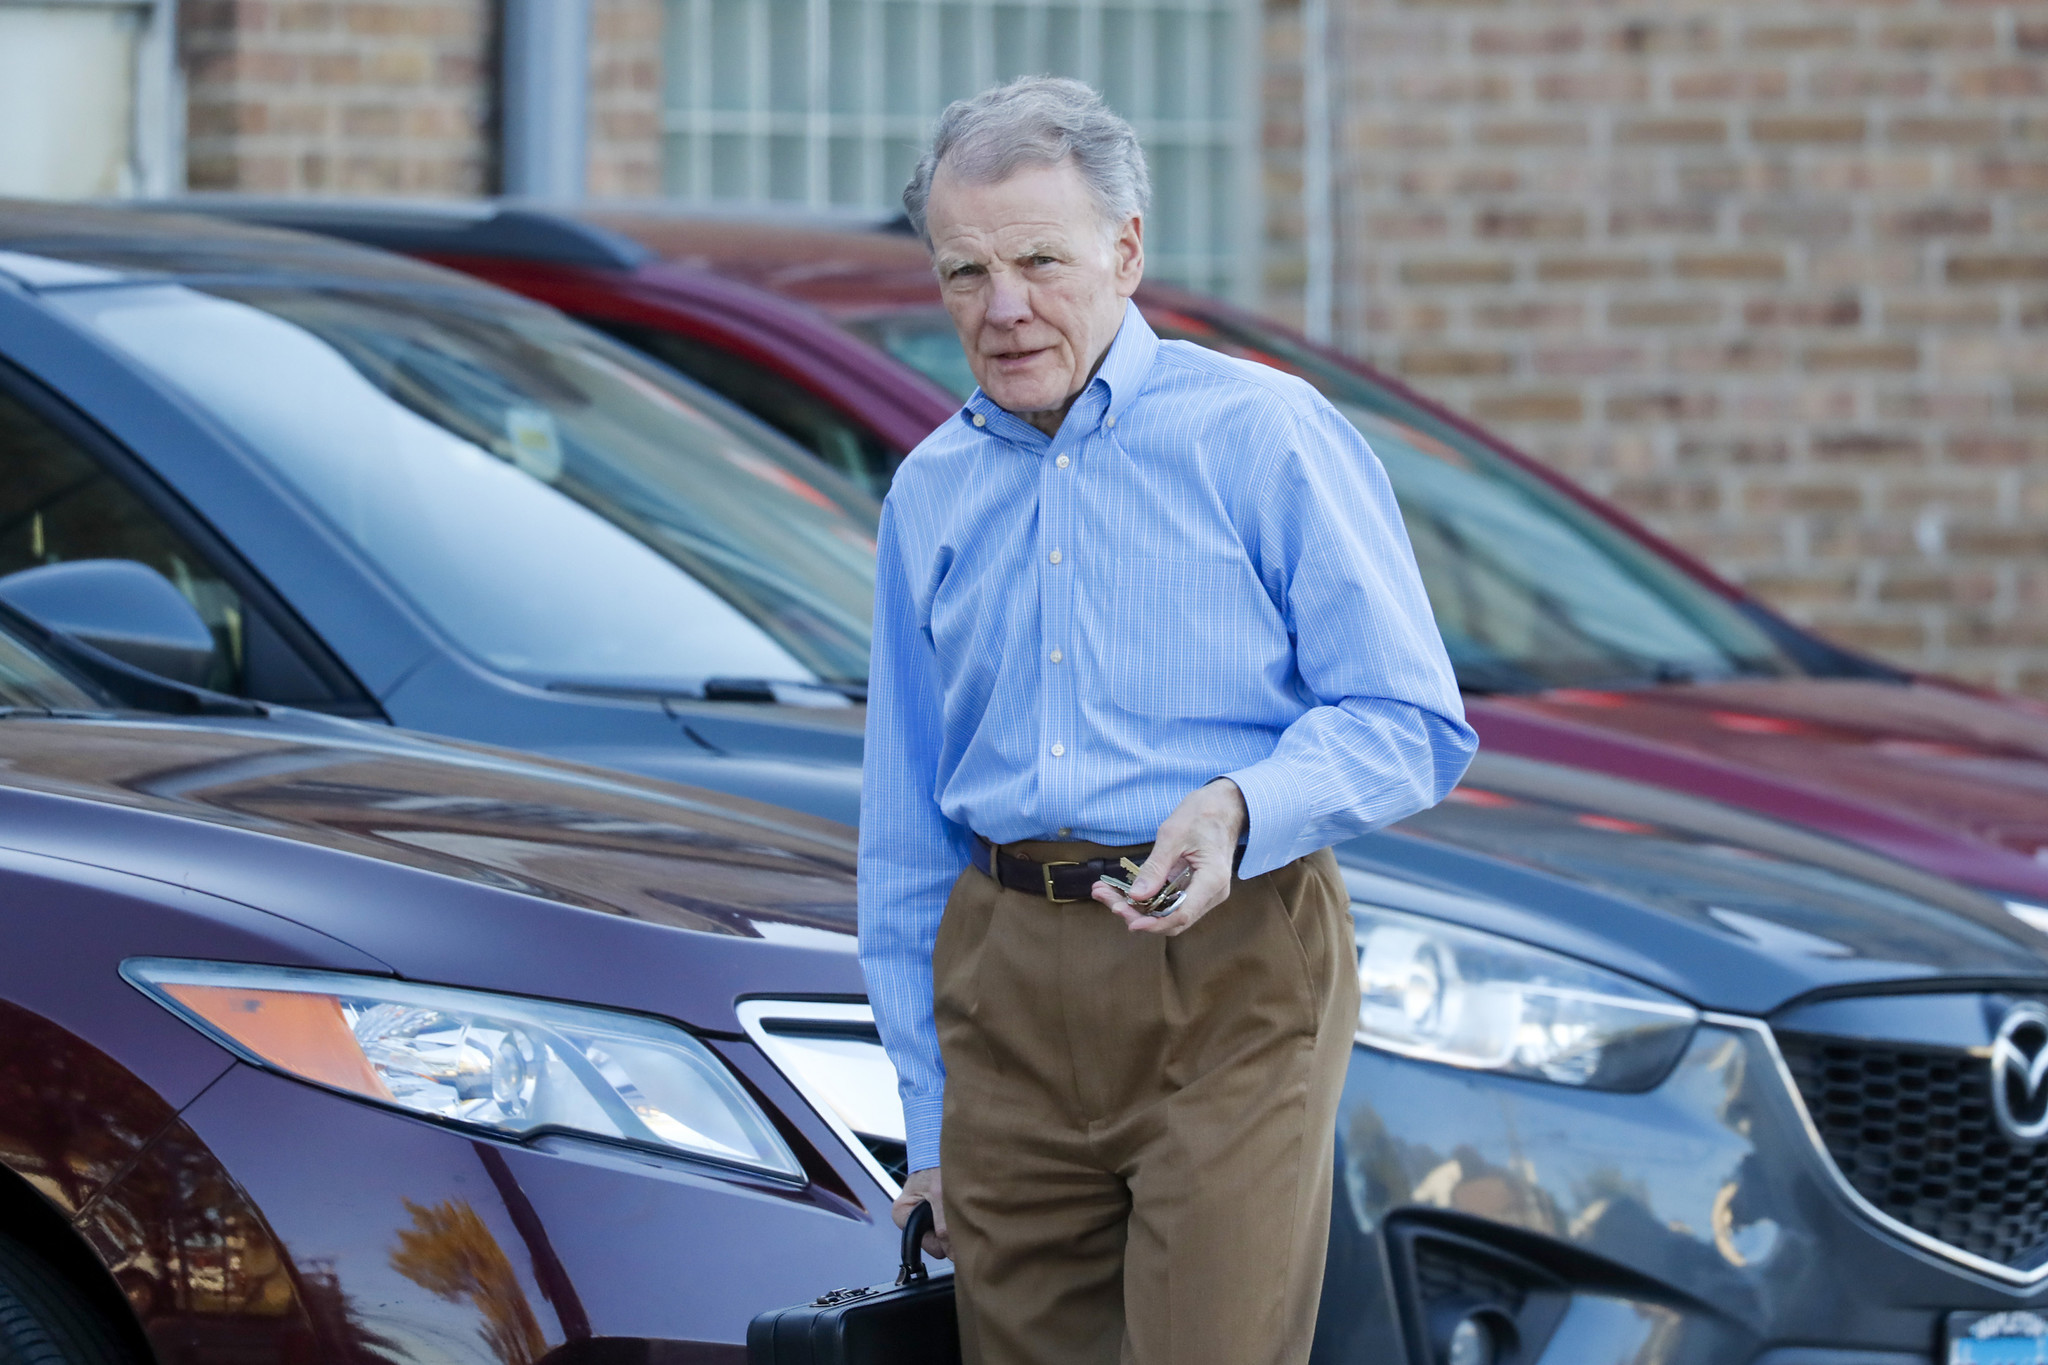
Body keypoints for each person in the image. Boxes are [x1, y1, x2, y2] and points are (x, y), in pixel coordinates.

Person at [857, 75, 1476, 1365]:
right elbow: (904, 834)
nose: (1004, 306)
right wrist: (929, 1124)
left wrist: (1245, 807)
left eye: (1039, 259)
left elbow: (1412, 716)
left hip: (1232, 971)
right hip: (1004, 982)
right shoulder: (929, 493)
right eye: (964, 272)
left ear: (1127, 251)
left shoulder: (1262, 436)